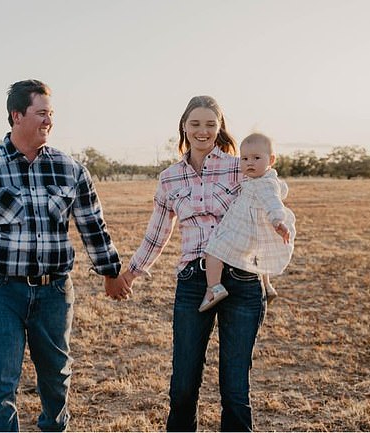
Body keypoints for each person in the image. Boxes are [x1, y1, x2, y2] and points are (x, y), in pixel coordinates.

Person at [0, 79, 130, 432]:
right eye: (41, 113)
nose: (48, 121)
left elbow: (93, 226)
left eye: (51, 114)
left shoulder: (71, 169)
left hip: (54, 292)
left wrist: (111, 272)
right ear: (17, 115)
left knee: (56, 380)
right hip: (0, 291)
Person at [111, 95, 265, 431]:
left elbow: (266, 203)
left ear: (220, 128)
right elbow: (157, 233)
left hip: (242, 280)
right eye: (195, 123)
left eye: (211, 124)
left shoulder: (240, 167)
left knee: (235, 390)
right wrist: (131, 274)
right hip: (194, 281)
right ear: (183, 126)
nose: (203, 130)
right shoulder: (170, 178)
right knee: (182, 386)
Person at [199, 133, 296, 312]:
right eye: (244, 158)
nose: (249, 163)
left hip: (243, 230)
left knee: (213, 251)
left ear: (271, 160)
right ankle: (267, 286)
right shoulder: (259, 179)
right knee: (259, 256)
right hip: (253, 232)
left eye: (256, 158)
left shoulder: (265, 184)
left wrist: (278, 221)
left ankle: (214, 288)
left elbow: (273, 203)